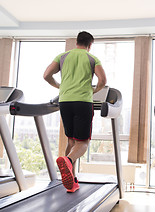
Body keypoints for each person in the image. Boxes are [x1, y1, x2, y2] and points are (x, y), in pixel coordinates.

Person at [43, 31, 107, 192]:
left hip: (65, 101)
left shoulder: (62, 56)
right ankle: (68, 161)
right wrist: (94, 90)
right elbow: (103, 80)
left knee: (71, 141)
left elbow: (46, 75)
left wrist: (59, 86)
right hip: (83, 102)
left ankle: (71, 181)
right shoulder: (92, 58)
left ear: (77, 42)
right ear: (90, 45)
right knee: (83, 142)